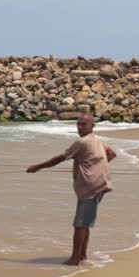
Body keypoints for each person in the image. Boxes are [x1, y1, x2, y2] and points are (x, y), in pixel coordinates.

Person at [26, 112, 117, 266]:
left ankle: (74, 259)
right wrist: (97, 165)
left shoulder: (82, 143)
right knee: (85, 223)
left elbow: (60, 158)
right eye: (78, 124)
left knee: (80, 224)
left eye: (84, 124)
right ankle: (82, 255)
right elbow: (111, 154)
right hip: (99, 185)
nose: (80, 127)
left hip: (90, 187)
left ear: (92, 126)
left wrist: (38, 167)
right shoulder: (96, 140)